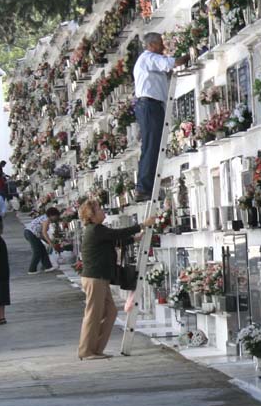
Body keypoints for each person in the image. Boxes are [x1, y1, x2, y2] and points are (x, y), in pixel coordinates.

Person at [77, 199, 156, 359]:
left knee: (111, 312)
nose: (102, 211)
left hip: (100, 278)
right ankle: (86, 351)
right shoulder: (95, 229)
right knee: (93, 314)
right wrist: (142, 225)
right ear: (91, 215)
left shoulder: (98, 230)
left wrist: (135, 239)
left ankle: (96, 349)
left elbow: (114, 240)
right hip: (95, 278)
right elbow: (116, 234)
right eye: (99, 209)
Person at [133, 33, 188, 202]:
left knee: (152, 146)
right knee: (151, 147)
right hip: (150, 105)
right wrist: (190, 54)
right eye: (160, 44)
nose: (163, 47)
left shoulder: (146, 60)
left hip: (148, 106)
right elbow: (173, 63)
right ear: (151, 45)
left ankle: (146, 186)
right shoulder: (149, 58)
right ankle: (144, 188)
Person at [24, 208, 60, 274]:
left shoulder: (44, 217)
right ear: (51, 215)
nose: (56, 218)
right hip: (31, 233)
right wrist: (50, 243)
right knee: (37, 251)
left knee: (42, 249)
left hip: (31, 233)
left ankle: (48, 267)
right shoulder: (46, 220)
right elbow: (44, 232)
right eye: (56, 216)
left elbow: (41, 234)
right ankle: (32, 269)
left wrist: (47, 242)